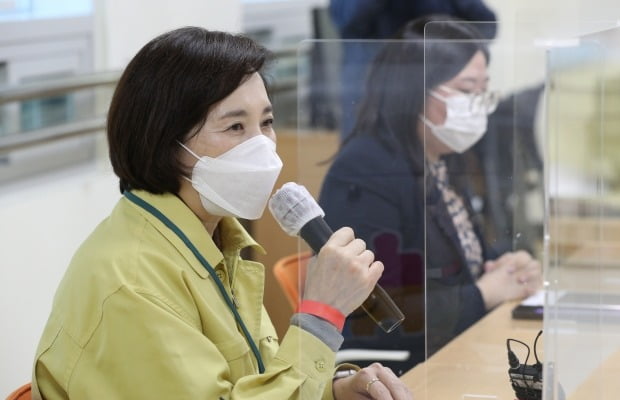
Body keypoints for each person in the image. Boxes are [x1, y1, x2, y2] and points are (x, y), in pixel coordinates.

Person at [31, 27, 413, 400]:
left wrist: (334, 390)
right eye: (234, 126)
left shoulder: (215, 236)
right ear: (166, 142)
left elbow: (247, 385)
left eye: (266, 122)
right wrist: (320, 314)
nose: (262, 146)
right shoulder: (131, 283)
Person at [318, 16, 542, 373]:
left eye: (484, 90)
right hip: (398, 369)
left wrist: (507, 266)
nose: (479, 104)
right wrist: (484, 293)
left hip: (452, 348)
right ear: (414, 92)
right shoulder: (366, 169)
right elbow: (376, 313)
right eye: (467, 90)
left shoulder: (442, 159)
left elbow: (464, 266)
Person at [327, 0, 497, 139]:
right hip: (372, 96)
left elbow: (487, 25)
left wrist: (452, 57)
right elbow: (345, 18)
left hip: (431, 102)